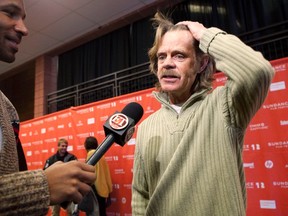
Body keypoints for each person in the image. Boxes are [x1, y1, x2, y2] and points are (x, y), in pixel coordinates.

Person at [131, 12, 275, 216]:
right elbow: (140, 195)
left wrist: (206, 35)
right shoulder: (146, 127)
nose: (167, 63)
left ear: (202, 64)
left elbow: (258, 71)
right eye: (162, 56)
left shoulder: (225, 105)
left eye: (179, 55)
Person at [0, 1, 96, 215]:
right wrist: (42, 186)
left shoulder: (7, 107)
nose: (24, 29)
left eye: (23, 18)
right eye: (9, 13)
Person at [43, 138, 78, 216]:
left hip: (69, 190)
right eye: (62, 146)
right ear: (58, 146)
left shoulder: (72, 158)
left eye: (66, 146)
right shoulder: (51, 159)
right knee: (55, 213)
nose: (64, 148)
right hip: (55, 191)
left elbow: (77, 172)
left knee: (71, 212)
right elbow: (45, 173)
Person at [82, 136, 113, 216]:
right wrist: (109, 191)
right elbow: (106, 174)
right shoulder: (101, 155)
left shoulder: (91, 154)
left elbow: (88, 174)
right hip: (103, 190)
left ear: (86, 145)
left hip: (95, 191)